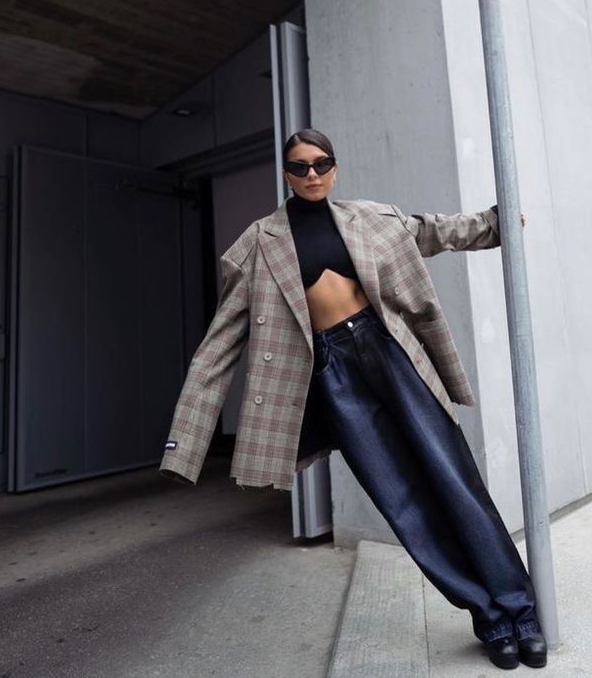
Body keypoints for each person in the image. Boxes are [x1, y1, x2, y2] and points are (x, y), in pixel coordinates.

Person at [160, 128, 547, 670]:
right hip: (332, 373)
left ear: (335, 167)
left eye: (322, 164)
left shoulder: (371, 218)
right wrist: (185, 444)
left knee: (452, 477)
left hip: (389, 353)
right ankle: (488, 618)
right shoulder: (257, 243)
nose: (312, 174)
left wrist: (495, 222)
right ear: (286, 174)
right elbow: (217, 346)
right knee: (402, 502)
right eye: (300, 167)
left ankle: (519, 609)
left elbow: (435, 231)